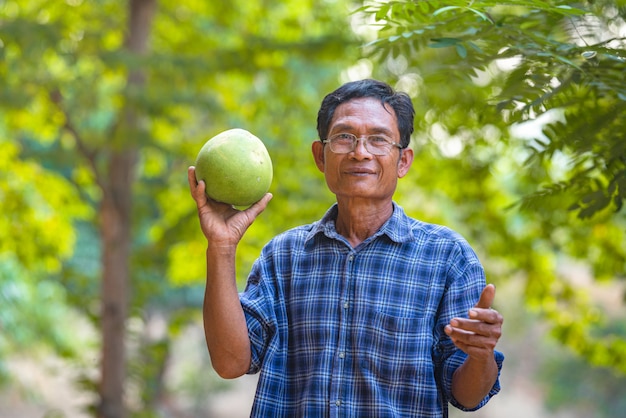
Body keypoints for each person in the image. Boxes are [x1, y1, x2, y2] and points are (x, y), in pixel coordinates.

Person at [188, 79, 504, 417]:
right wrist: (221, 247)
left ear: (404, 161)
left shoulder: (447, 258)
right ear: (319, 156)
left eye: (378, 139)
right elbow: (230, 363)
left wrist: (480, 354)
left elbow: (467, 397)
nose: (360, 152)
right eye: (344, 136)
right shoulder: (283, 257)